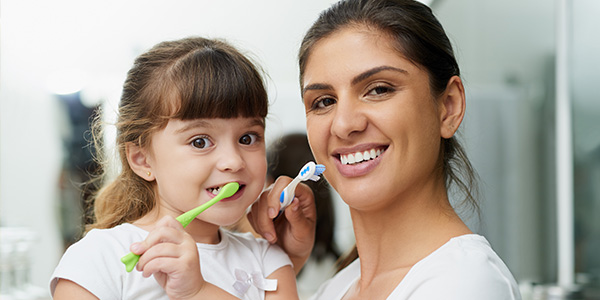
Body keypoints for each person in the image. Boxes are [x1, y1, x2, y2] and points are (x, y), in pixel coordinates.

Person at [248, 0, 522, 299]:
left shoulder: (466, 284)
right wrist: (278, 270)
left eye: (379, 89)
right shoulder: (339, 288)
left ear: (448, 107)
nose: (343, 125)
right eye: (324, 101)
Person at [49, 36, 306, 300]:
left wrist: (198, 292)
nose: (234, 161)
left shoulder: (267, 261)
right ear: (142, 160)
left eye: (247, 138)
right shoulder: (97, 259)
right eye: (200, 141)